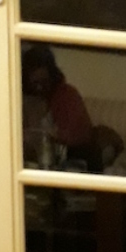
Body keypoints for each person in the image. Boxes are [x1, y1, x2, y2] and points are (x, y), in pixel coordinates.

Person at [22, 43, 98, 171]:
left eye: (44, 82)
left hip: (72, 159)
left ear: (52, 75)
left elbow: (81, 136)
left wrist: (54, 135)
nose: (39, 88)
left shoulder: (68, 95)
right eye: (35, 83)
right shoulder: (22, 100)